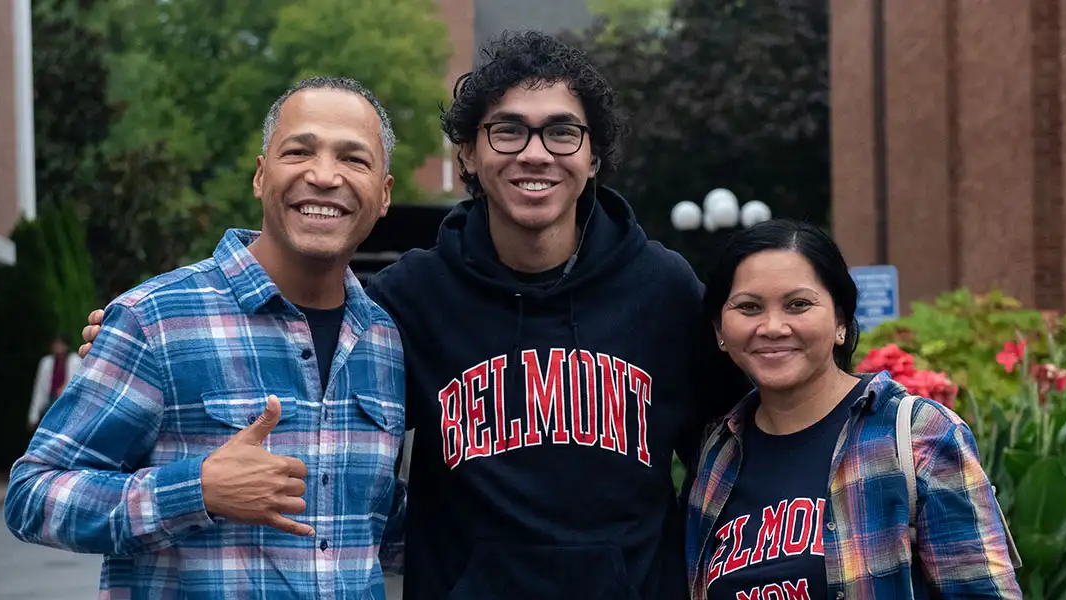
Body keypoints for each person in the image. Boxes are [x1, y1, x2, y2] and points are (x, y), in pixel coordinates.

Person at [80, 31, 743, 600]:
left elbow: (738, 446)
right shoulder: (405, 299)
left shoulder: (664, 288)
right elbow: (299, 358)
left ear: (592, 156)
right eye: (507, 129)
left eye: (562, 131)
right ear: (467, 158)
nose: (535, 152)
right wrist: (149, 337)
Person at [5, 76, 406, 600]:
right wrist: (196, 491)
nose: (324, 175)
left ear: (383, 195)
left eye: (354, 159)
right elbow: (31, 496)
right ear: (261, 176)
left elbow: (379, 525)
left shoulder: (383, 342)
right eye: (298, 151)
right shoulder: (155, 319)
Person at [686, 219, 1022, 599]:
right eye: (748, 307)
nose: (773, 326)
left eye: (798, 305)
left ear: (841, 322)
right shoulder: (717, 453)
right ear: (719, 330)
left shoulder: (918, 435)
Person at [27, 335, 83, 429]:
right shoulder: (46, 362)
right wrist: (33, 415)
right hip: (50, 402)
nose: (57, 347)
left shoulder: (75, 360)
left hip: (67, 402)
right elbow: (39, 389)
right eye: (55, 344)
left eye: (60, 344)